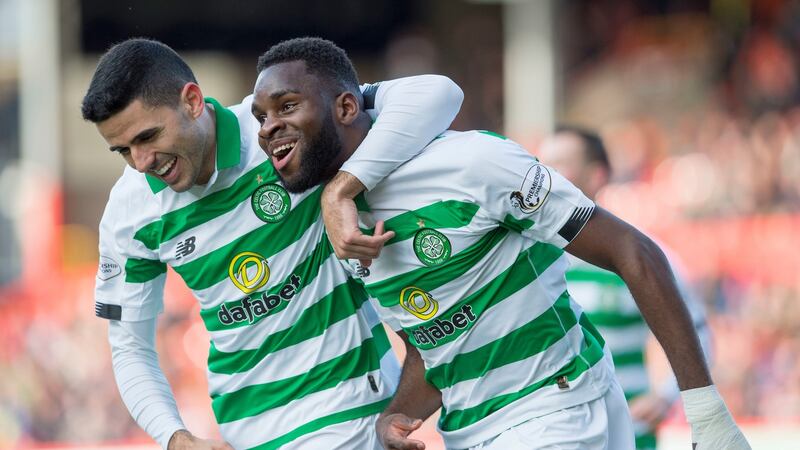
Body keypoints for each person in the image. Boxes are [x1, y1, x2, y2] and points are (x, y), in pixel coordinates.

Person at [252, 37, 751, 450]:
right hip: (471, 430)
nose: (269, 126)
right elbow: (433, 349)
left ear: (345, 107)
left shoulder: (470, 163)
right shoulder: (336, 219)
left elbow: (631, 250)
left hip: (560, 408)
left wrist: (704, 410)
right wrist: (398, 414)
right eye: (260, 117)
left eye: (287, 106)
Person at [82, 38, 463, 449]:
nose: (141, 162)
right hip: (244, 432)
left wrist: (340, 191)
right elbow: (130, 348)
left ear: (192, 101)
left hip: (350, 411)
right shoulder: (129, 212)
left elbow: (439, 93)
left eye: (148, 136)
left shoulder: (279, 126)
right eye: (123, 150)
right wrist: (174, 437)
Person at [538, 125, 713, 450]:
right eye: (541, 163)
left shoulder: (641, 256)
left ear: (597, 175)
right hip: (554, 433)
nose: (545, 174)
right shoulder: (529, 258)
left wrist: (667, 395)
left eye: (559, 162)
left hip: (627, 434)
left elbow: (699, 329)